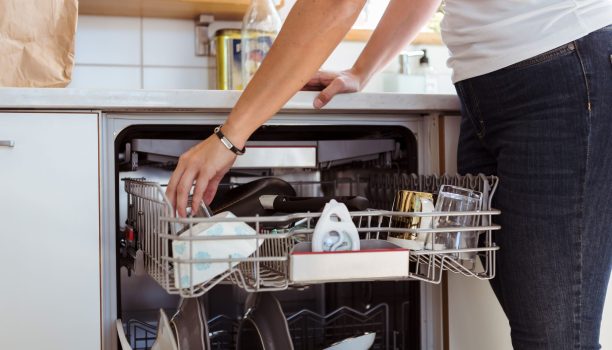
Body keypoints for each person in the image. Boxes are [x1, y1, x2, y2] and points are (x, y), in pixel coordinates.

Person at [166, 0, 612, 348]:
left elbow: (334, 6)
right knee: (538, 324)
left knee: (554, 335)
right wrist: (363, 69)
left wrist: (229, 137)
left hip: (561, 74)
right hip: (488, 89)